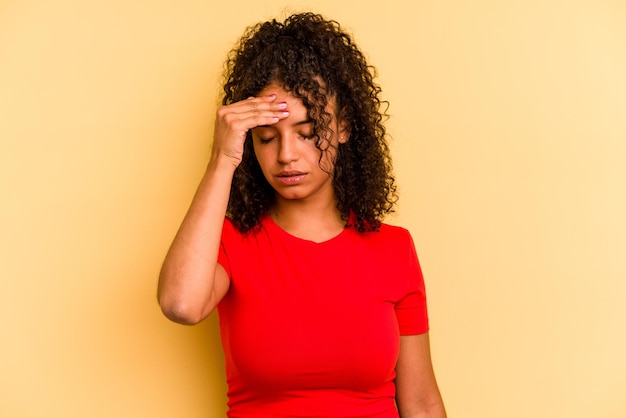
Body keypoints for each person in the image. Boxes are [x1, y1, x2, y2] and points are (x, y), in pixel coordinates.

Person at [158, 12, 446, 418]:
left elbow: (421, 402)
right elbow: (181, 305)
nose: (287, 154)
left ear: (343, 127)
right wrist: (222, 159)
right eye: (266, 137)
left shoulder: (393, 248)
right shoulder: (230, 242)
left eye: (307, 133)